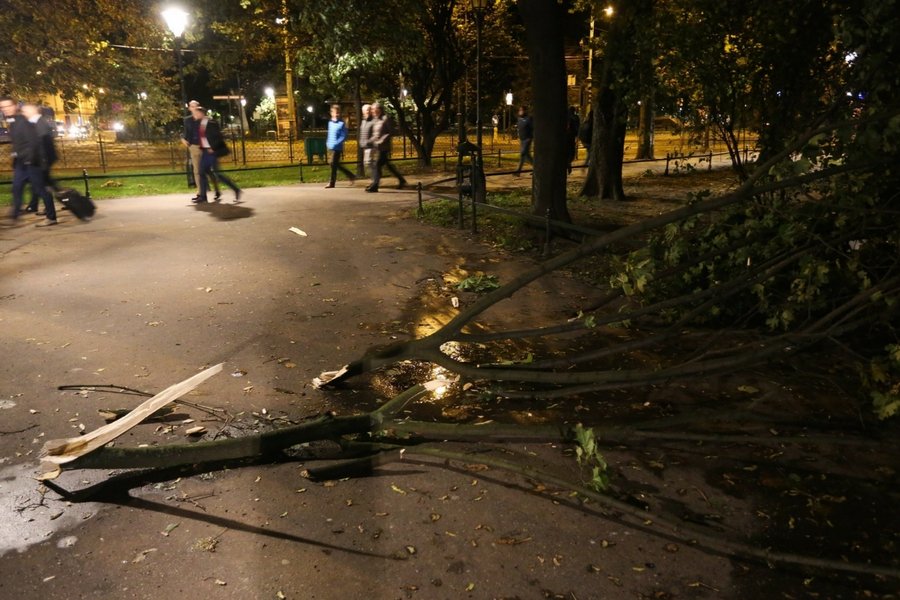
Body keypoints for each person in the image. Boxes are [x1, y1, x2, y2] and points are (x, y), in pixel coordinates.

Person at [0, 97, 58, 227]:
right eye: (2, 107)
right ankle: (14, 216)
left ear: (15, 106)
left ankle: (51, 216)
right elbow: (19, 142)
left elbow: (33, 141)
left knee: (41, 188)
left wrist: (29, 159)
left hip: (31, 161)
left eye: (8, 106)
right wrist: (16, 154)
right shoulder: (13, 121)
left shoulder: (23, 121)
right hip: (21, 162)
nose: (5, 109)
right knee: (17, 188)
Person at [193, 106, 241, 204]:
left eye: (197, 113)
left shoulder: (211, 123)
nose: (195, 114)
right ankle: (203, 196)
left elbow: (218, 136)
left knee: (216, 174)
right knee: (202, 172)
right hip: (205, 152)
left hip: (211, 152)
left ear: (202, 113)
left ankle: (235, 189)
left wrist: (212, 147)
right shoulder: (200, 123)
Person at [181, 100, 220, 201]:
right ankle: (200, 193)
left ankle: (216, 189)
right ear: (189, 108)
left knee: (207, 170)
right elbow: (186, 133)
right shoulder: (187, 120)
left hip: (205, 147)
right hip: (194, 146)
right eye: (192, 106)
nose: (194, 108)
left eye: (196, 106)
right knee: (197, 171)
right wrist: (183, 139)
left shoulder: (204, 119)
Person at [24, 104, 59, 214]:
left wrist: (42, 163)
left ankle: (51, 213)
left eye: (25, 111)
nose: (23, 114)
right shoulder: (37, 123)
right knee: (42, 185)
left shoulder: (40, 123)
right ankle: (39, 207)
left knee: (42, 186)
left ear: (33, 111)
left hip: (42, 161)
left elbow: (42, 145)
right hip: (41, 160)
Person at [367, 102, 407, 192]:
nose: (372, 111)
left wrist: (382, 139)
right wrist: (370, 140)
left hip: (384, 147)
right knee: (387, 165)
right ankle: (401, 180)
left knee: (377, 164)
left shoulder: (386, 119)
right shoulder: (376, 120)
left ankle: (375, 185)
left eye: (374, 109)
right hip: (378, 146)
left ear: (379, 109)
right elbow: (376, 134)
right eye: (372, 109)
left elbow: (391, 131)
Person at [324, 104, 356, 188]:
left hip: (337, 148)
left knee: (333, 164)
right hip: (330, 146)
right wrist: (328, 142)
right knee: (334, 164)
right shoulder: (330, 123)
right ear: (332, 113)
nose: (337, 114)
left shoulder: (342, 124)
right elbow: (330, 134)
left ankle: (332, 182)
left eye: (338, 112)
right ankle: (351, 175)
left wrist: (337, 143)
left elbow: (344, 136)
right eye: (335, 112)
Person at [514, 105, 534, 176]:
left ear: (525, 111)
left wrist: (531, 137)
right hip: (522, 140)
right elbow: (519, 128)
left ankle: (518, 171)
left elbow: (532, 128)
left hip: (527, 139)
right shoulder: (519, 119)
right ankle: (537, 168)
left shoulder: (529, 118)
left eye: (521, 110)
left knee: (523, 154)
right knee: (527, 156)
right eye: (519, 110)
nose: (520, 111)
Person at [358, 103, 376, 179]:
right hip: (364, 145)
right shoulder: (363, 121)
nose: (368, 112)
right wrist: (361, 142)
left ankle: (375, 178)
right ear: (363, 111)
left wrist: (369, 141)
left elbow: (375, 134)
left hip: (371, 145)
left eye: (369, 110)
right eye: (366, 110)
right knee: (367, 162)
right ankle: (375, 177)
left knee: (368, 162)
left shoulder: (373, 121)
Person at [565, 106, 580, 175]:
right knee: (571, 150)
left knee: (566, 150)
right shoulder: (575, 117)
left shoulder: (566, 117)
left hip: (565, 137)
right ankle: (569, 162)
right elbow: (577, 128)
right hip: (571, 137)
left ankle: (567, 162)